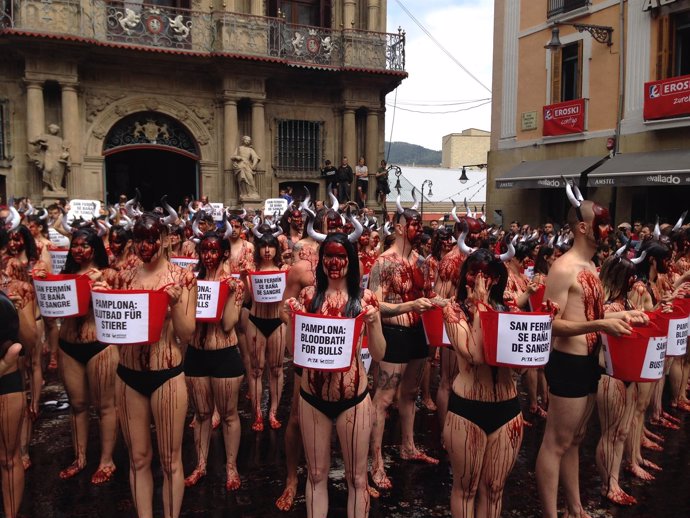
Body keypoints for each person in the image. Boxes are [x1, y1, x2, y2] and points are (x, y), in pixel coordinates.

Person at [535, 184, 647, 518]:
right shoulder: (563, 268)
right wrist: (600, 326)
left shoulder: (592, 266)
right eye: (602, 221)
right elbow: (550, 324)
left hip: (588, 365)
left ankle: (576, 508)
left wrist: (622, 315)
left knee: (576, 438)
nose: (608, 228)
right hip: (568, 363)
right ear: (583, 227)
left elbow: (589, 314)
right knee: (556, 442)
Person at [94, 211, 196, 518]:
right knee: (138, 459)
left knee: (170, 460)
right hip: (128, 375)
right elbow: (115, 322)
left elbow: (187, 333)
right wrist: (100, 299)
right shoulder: (125, 275)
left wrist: (177, 303)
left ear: (164, 240)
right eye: (139, 239)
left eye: (152, 238)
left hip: (166, 374)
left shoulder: (182, 277)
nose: (145, 245)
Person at [283, 231, 386, 518]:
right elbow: (295, 352)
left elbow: (378, 354)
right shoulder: (307, 297)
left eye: (341, 256)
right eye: (329, 255)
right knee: (315, 475)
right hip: (312, 398)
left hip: (353, 399)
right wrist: (292, 321)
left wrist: (375, 323)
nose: (334, 262)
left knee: (357, 478)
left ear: (351, 261)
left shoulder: (364, 299)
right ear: (321, 259)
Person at [442, 247, 524, 518]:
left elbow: (522, 363)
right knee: (466, 488)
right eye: (473, 273)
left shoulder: (509, 310)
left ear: (497, 279)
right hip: (467, 410)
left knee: (495, 488)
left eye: (485, 274)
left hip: (507, 410)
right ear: (464, 276)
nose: (479, 280)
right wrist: (479, 306)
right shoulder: (453, 311)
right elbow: (475, 355)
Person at [368, 195, 439, 490]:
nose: (418, 230)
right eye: (412, 225)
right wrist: (408, 308)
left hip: (417, 334)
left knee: (410, 394)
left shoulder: (421, 262)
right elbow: (375, 305)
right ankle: (375, 461)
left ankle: (408, 446)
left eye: (420, 225)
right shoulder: (383, 263)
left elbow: (426, 298)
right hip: (393, 333)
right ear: (398, 228)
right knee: (384, 399)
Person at [44, 227, 120, 484]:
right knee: (77, 406)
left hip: (99, 346)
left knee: (105, 406)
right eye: (75, 245)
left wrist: (104, 289)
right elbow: (50, 314)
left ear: (95, 248)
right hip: (69, 345)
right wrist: (42, 284)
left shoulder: (109, 274)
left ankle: (107, 460)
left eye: (84, 245)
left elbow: (120, 307)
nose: (79, 250)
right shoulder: (64, 276)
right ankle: (80, 457)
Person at [184, 227, 245, 491]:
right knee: (202, 414)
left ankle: (231, 467)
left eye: (214, 250)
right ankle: (200, 465)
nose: (209, 255)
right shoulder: (191, 281)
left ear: (222, 253)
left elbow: (229, 323)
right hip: (196, 354)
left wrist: (231, 293)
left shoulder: (235, 284)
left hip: (225, 354)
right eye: (204, 250)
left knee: (229, 414)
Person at [596, 252, 640, 505]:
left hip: (629, 373)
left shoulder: (629, 304)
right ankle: (607, 484)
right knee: (611, 433)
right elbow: (597, 320)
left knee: (622, 432)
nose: (635, 281)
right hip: (610, 374)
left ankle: (614, 480)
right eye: (630, 277)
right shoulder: (607, 306)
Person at [242, 231, 288, 431]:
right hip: (256, 320)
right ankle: (258, 414)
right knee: (256, 369)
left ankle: (273, 412)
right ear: (258, 249)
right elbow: (246, 299)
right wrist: (244, 279)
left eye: (271, 246)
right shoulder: (252, 269)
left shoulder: (284, 269)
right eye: (263, 246)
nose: (267, 250)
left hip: (277, 322)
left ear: (276, 249)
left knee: (277, 369)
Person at [27, 123, 70, 193]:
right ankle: (46, 186)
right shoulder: (46, 136)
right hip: (49, 155)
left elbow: (63, 148)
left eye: (55, 129)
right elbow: (31, 140)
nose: (53, 130)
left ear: (57, 131)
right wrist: (39, 140)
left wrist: (65, 154)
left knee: (57, 172)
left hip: (58, 157)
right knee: (48, 169)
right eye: (51, 128)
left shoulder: (59, 139)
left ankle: (56, 187)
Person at [231, 136, 261, 200]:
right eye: (246, 140)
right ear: (243, 140)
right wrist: (236, 157)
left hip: (247, 166)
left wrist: (254, 165)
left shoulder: (251, 150)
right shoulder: (239, 148)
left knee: (250, 179)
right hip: (240, 166)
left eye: (249, 140)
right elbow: (232, 157)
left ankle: (253, 193)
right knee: (242, 180)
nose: (247, 141)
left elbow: (255, 157)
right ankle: (244, 194)